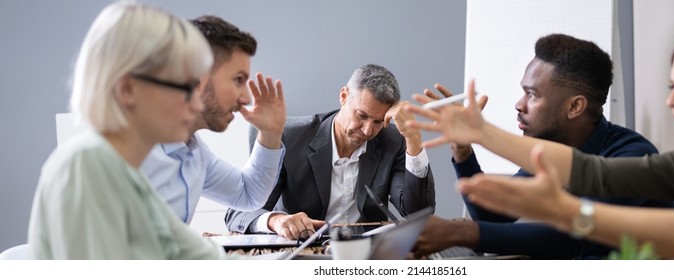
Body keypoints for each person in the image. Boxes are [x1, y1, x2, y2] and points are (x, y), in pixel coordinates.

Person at [405, 25, 674, 259]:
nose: (671, 101)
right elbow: (590, 171)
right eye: (672, 87)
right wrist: (478, 135)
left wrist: (567, 214)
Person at [412, 34, 674, 259]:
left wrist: (460, 232)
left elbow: (573, 236)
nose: (519, 104)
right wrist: (463, 150)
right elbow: (493, 218)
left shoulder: (632, 156)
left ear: (575, 106)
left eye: (532, 95)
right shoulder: (550, 150)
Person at [28, 3, 247, 259]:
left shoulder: (133, 180)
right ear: (127, 89)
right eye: (186, 87)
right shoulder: (86, 165)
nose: (197, 103)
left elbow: (201, 258)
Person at [225, 64, 436, 239]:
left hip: (365, 256)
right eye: (361, 115)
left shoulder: (394, 140)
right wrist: (276, 220)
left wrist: (414, 139)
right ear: (344, 96)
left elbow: (418, 214)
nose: (368, 130)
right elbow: (238, 212)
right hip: (302, 250)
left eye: (378, 122)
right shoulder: (289, 138)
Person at [140, 15, 285, 225]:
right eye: (238, 80)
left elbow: (248, 194)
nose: (246, 98)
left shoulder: (197, 154)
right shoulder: (129, 154)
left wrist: (270, 133)